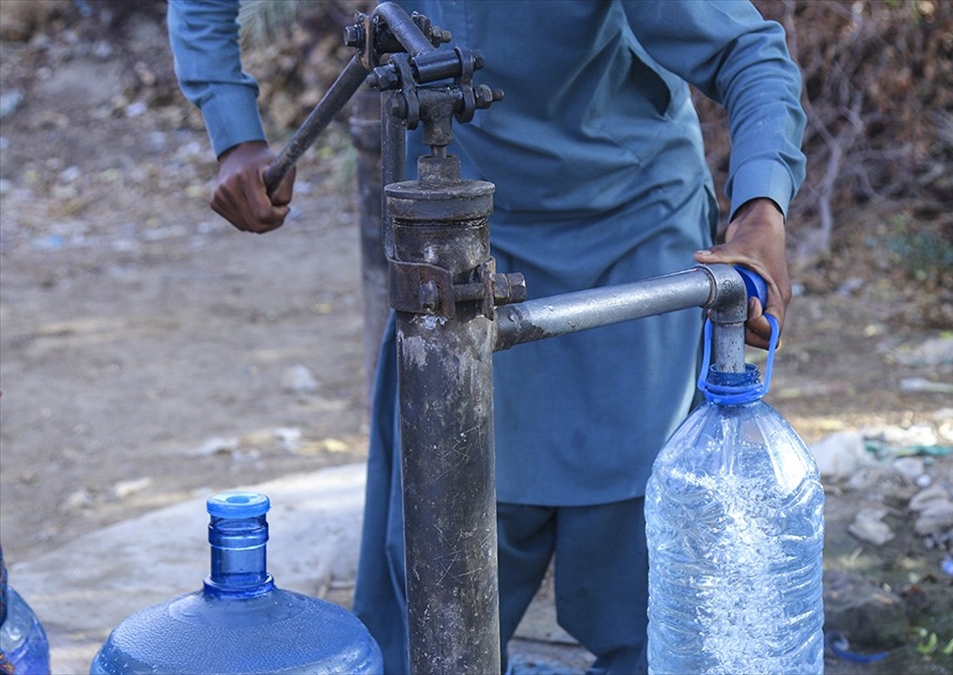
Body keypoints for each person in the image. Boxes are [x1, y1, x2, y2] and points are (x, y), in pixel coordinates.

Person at [168, 1, 805, 673]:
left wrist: (760, 213)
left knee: (650, 593)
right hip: (450, 238)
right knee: (435, 586)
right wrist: (233, 129)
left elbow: (748, 52)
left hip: (628, 231)